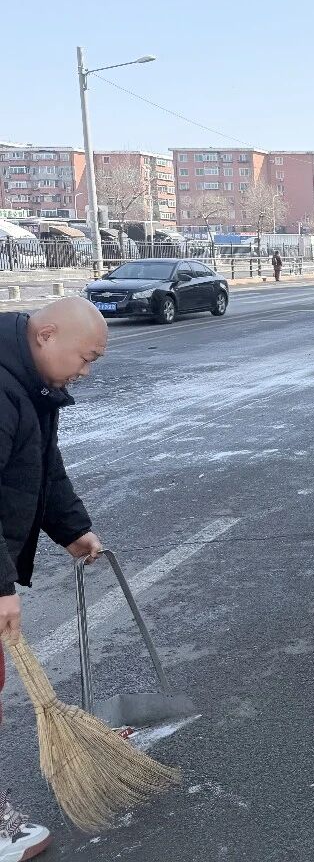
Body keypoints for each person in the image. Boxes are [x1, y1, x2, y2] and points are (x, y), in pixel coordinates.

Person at [0, 298, 109, 861]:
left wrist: (72, 529)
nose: (85, 371)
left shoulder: (30, 384)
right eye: (85, 358)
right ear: (45, 335)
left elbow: (41, 465)